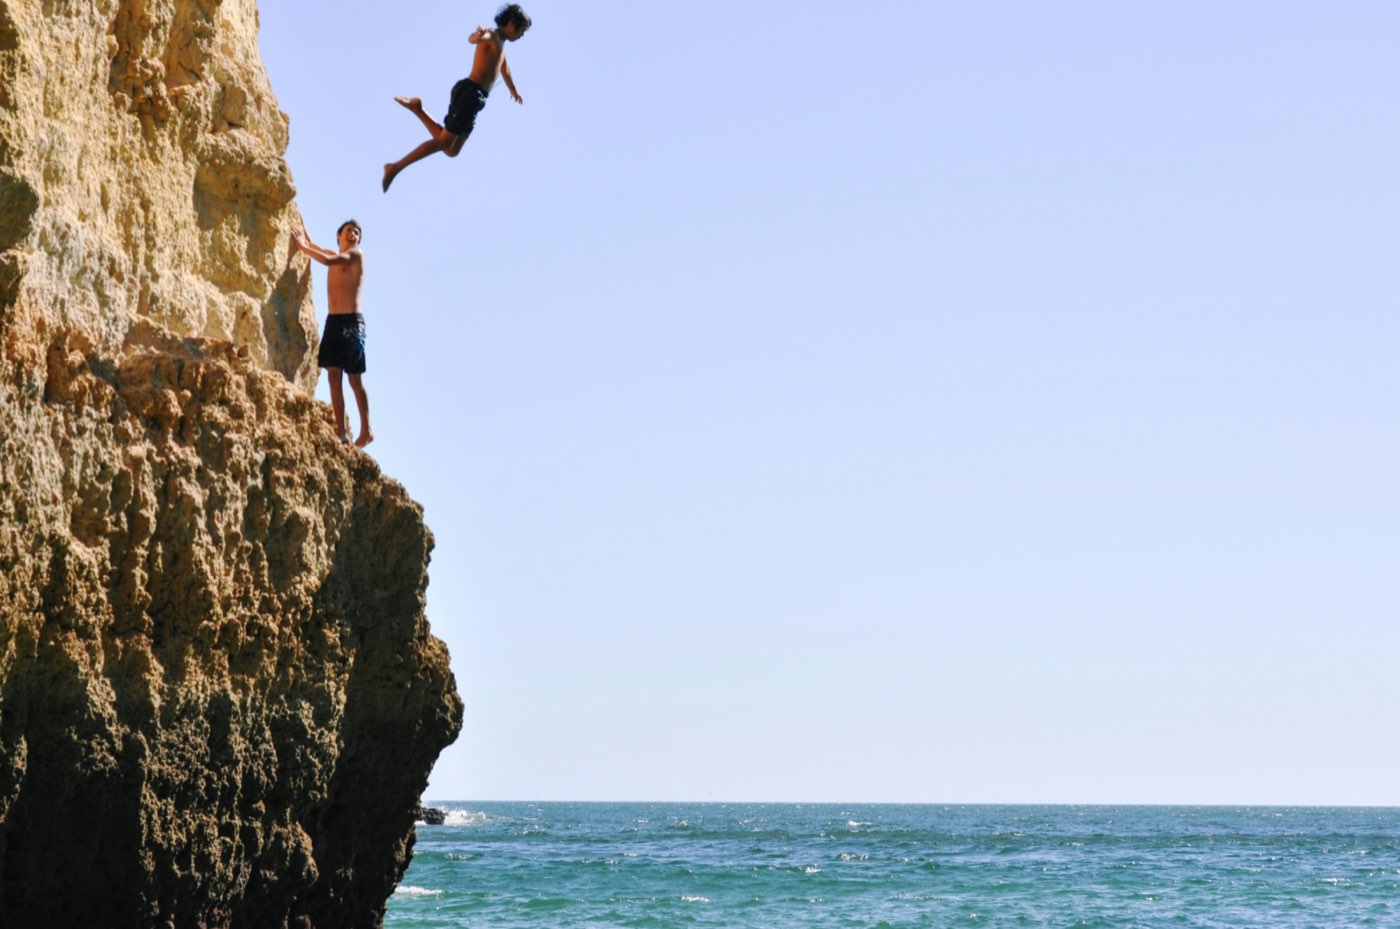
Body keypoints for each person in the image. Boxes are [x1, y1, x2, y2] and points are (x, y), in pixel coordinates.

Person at [382, 4, 532, 192]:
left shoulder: (501, 45)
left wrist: (513, 90)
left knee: (452, 150)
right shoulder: (493, 35)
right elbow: (476, 38)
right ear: (511, 24)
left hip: (477, 100)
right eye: (522, 30)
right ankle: (394, 167)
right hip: (469, 93)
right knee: (444, 142)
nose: (522, 35)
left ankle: (417, 109)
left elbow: (505, 70)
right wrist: (476, 37)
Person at [291, 219, 374, 448]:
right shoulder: (332, 252)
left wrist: (303, 247)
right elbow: (312, 245)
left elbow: (326, 260)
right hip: (333, 322)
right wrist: (300, 226)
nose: (353, 235)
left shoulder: (355, 255)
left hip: (352, 323)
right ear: (339, 235)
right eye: (349, 231)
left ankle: (366, 430)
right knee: (333, 376)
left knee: (354, 378)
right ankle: (341, 432)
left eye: (357, 233)